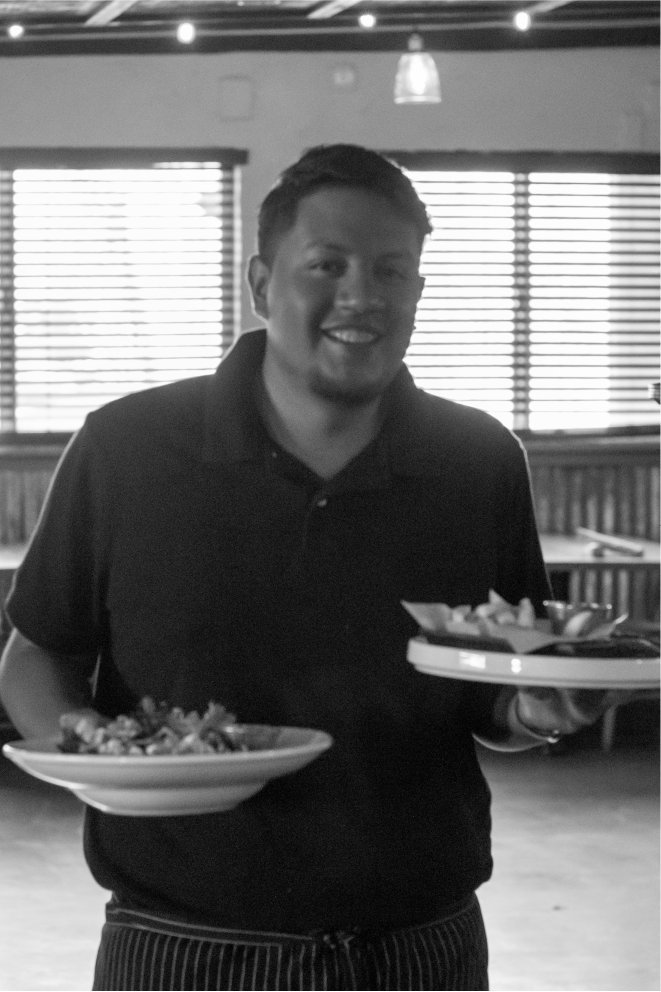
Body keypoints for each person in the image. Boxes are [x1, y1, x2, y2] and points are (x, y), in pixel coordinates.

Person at [0, 144, 624, 992]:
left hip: (420, 944)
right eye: (327, 265)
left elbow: (499, 695)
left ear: (417, 291)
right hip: (181, 942)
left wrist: (540, 711)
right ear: (262, 285)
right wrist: (94, 750)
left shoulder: (477, 462)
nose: (362, 297)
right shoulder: (128, 447)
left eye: (391, 271)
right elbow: (38, 652)